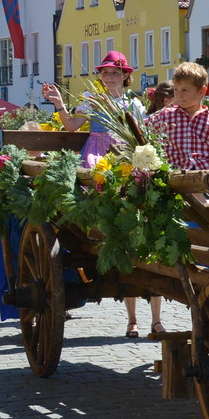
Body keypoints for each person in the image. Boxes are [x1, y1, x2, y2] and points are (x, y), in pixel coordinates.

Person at [46, 49, 160, 336]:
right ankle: (99, 230)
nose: (109, 76)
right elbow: (71, 126)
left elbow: (141, 135)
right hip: (98, 150)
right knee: (98, 177)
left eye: (115, 72)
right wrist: (59, 104)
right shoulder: (92, 100)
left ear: (125, 76)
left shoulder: (133, 104)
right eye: (105, 72)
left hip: (123, 150)